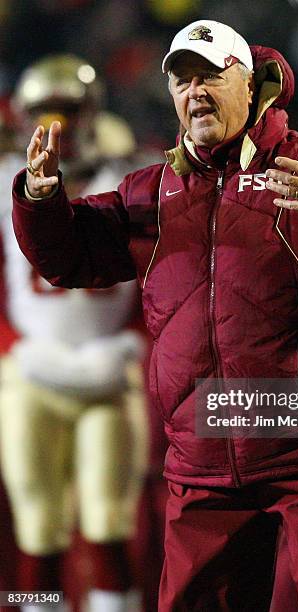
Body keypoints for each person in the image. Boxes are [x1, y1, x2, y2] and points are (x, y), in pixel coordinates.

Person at [11, 20, 298, 611]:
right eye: (181, 80)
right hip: (207, 454)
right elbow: (71, 258)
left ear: (250, 83)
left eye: (209, 74)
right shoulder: (154, 189)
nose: (194, 91)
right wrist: (39, 197)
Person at [0, 54, 148, 612]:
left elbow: (160, 278)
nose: (56, 125)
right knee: (37, 528)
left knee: (110, 518)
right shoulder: (2, 183)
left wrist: (131, 340)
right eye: (44, 111)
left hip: (110, 372)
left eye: (67, 110)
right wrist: (16, 349)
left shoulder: (130, 183)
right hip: (29, 373)